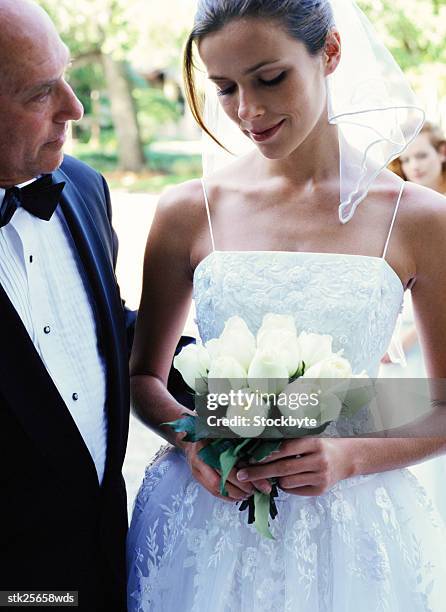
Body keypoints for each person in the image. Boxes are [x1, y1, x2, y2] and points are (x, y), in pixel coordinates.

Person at [127, 1, 446, 610]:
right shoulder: (186, 210)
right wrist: (195, 441)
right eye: (224, 88)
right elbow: (145, 376)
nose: (247, 110)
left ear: (329, 52)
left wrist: (350, 456)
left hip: (353, 530)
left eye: (269, 78)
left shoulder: (420, 220)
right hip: (207, 516)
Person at [0, 1, 135, 609]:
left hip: (111, 569)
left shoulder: (82, 187)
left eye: (68, 76)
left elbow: (113, 339)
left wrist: (271, 398)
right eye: (40, 93)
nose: (74, 108)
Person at [380, 121, 446, 520]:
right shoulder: (401, 210)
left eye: (421, 155)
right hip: (401, 342)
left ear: (441, 152)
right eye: (406, 159)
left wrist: (404, 342)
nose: (414, 165)